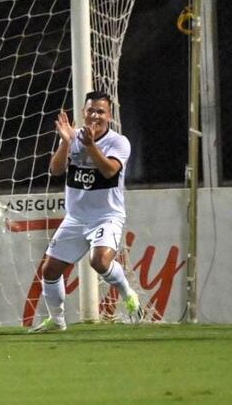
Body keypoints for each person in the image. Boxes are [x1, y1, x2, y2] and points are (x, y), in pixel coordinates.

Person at [30, 91, 142, 332]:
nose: (95, 115)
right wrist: (66, 143)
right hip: (76, 217)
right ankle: (57, 320)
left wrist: (90, 147)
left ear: (109, 116)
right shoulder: (74, 138)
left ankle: (127, 292)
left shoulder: (118, 142)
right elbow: (56, 170)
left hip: (106, 216)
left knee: (99, 261)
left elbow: (110, 171)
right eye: (90, 110)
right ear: (83, 113)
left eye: (100, 111)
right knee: (49, 270)